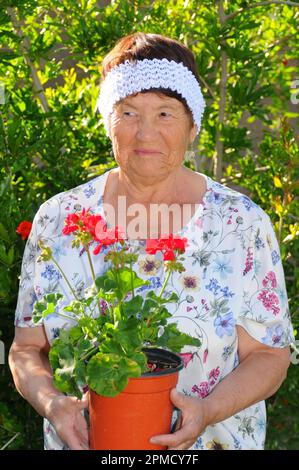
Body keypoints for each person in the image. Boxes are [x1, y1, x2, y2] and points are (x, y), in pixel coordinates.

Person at [9, 32, 294, 451]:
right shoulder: (60, 218)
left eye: (165, 113)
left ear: (193, 124)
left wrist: (208, 410)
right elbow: (26, 349)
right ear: (108, 121)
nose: (145, 133)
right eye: (128, 113)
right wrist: (54, 405)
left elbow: (270, 356)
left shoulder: (240, 223)